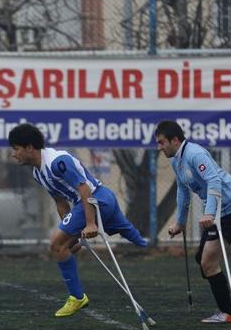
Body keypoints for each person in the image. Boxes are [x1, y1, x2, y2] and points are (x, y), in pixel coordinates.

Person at [8, 123, 147, 318]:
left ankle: (77, 297)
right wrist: (70, 232)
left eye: (16, 148)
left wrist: (89, 224)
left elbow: (84, 188)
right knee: (139, 241)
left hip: (97, 200)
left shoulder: (57, 162)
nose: (13, 154)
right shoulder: (38, 172)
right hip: (96, 202)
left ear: (29, 147)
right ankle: (149, 247)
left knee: (56, 245)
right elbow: (59, 200)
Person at [155, 120, 231, 324]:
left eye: (162, 142)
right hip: (216, 211)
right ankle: (225, 299)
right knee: (201, 259)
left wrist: (210, 213)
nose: (159, 147)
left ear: (175, 140)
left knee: (208, 262)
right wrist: (179, 222)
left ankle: (227, 313)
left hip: (230, 208)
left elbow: (213, 180)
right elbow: (182, 190)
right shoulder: (176, 160)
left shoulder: (195, 154)